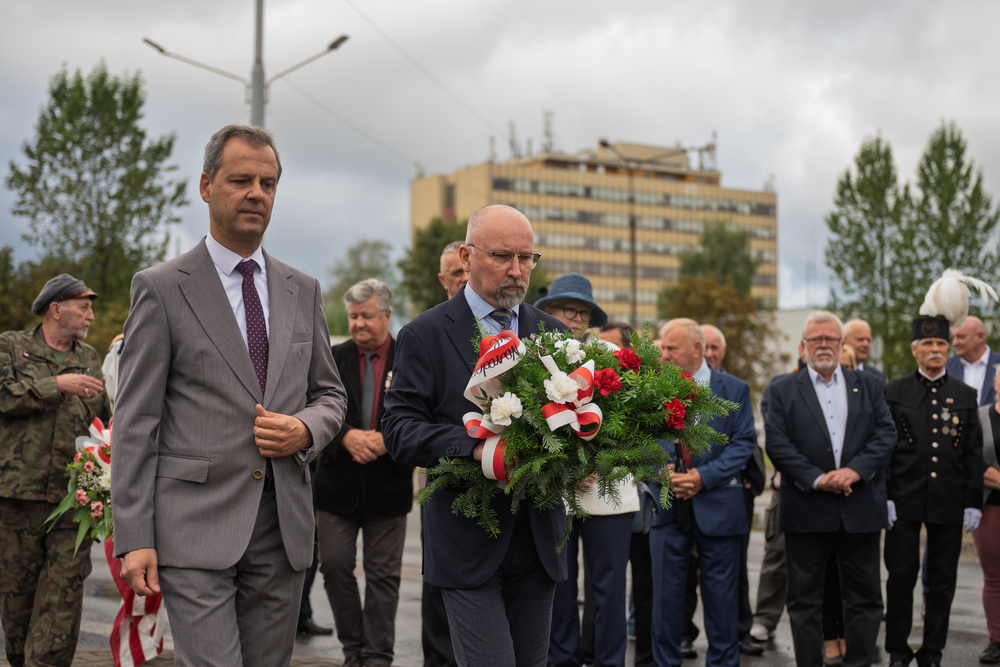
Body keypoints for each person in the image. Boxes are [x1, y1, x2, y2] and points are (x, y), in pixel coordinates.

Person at [111, 124, 348, 667]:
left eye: (267, 183)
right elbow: (136, 421)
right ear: (205, 186)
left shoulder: (303, 288)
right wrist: (134, 536)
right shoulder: (162, 288)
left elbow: (331, 395)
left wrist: (306, 429)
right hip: (192, 528)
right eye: (241, 179)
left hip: (283, 529)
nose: (255, 193)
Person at [382, 204, 568, 667]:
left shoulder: (555, 336)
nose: (517, 271)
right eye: (503, 255)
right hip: (467, 542)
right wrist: (479, 449)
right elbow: (399, 430)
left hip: (539, 542)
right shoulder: (423, 335)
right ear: (466, 257)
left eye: (527, 258)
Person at [763, 310, 896, 667]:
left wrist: (854, 472)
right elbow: (777, 444)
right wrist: (820, 479)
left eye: (831, 339)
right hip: (807, 509)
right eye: (815, 339)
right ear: (803, 346)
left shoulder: (869, 385)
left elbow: (886, 435)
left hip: (860, 508)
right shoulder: (781, 389)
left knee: (865, 600)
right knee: (805, 602)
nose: (824, 345)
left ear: (841, 344)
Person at [0, 274, 111, 667]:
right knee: (17, 606)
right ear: (56, 308)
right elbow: (4, 397)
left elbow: (104, 421)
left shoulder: (92, 359)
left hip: (72, 502)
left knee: (62, 602)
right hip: (17, 499)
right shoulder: (11, 347)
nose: (91, 316)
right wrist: (56, 385)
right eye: (84, 306)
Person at [536, 274, 637, 667]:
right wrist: (566, 469)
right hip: (556, 491)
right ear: (548, 312)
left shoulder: (612, 354)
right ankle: (562, 661)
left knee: (609, 590)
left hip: (608, 491)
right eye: (568, 310)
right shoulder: (534, 356)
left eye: (583, 312)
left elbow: (631, 422)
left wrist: (595, 463)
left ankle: (610, 662)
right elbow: (529, 427)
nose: (576, 318)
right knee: (558, 586)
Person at [313, 278, 412, 667]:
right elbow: (312, 403)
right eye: (353, 316)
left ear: (387, 315)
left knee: (383, 577)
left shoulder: (409, 356)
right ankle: (353, 648)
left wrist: (390, 439)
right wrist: (345, 436)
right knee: (334, 566)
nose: (358, 324)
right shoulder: (332, 356)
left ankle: (377, 656)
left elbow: (422, 410)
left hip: (389, 484)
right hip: (336, 484)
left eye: (366, 316)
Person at [651, 318, 757, 667]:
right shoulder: (651, 389)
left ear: (696, 350)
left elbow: (743, 444)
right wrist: (660, 469)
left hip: (719, 511)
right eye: (662, 347)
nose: (663, 354)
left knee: (722, 606)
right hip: (666, 512)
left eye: (671, 348)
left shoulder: (735, 389)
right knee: (665, 606)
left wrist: (703, 476)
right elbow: (638, 442)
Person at [883, 312, 983, 667]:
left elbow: (972, 455)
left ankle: (932, 652)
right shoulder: (894, 392)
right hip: (904, 501)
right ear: (915, 350)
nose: (936, 350)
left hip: (948, 502)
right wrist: (886, 496)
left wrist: (973, 502)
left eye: (941, 343)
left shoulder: (964, 395)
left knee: (941, 582)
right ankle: (897, 649)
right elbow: (885, 450)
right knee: (900, 578)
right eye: (928, 344)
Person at [974, 370, 1000, 664]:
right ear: (995, 383)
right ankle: (996, 638)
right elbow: (969, 458)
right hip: (990, 506)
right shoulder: (979, 416)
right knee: (994, 576)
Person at [534, 272, 608, 339]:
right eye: (570, 310)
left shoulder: (606, 351)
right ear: (549, 312)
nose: (578, 319)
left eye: (585, 312)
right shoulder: (527, 349)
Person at [946, 315, 1000, 406]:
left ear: (980, 337)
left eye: (960, 337)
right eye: (953, 337)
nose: (954, 343)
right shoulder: (947, 366)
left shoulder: (998, 363)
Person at [843, 319, 886, 384]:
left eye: (868, 340)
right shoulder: (831, 373)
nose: (866, 344)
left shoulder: (878, 377)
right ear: (844, 341)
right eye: (860, 339)